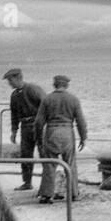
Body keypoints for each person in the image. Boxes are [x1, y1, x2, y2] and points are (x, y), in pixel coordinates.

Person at [33, 75, 87, 203]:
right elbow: (81, 121)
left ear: (54, 85)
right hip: (68, 133)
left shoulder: (47, 99)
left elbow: (38, 122)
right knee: (70, 164)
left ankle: (46, 195)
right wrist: (83, 137)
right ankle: (73, 194)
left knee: (49, 165)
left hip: (51, 132)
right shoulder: (73, 99)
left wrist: (38, 139)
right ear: (66, 85)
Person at [3, 67, 46, 191]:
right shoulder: (14, 95)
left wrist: (44, 122)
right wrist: (14, 131)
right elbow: (14, 115)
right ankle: (27, 182)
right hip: (25, 127)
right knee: (25, 155)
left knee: (44, 154)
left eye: (10, 80)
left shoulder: (33, 89)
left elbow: (45, 103)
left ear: (18, 78)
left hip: (38, 125)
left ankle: (48, 183)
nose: (9, 83)